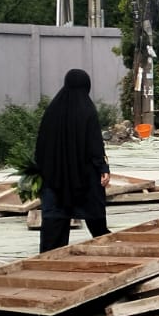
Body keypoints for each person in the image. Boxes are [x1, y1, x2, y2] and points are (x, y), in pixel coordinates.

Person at [34, 69, 112, 253]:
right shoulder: (87, 110)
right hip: (83, 177)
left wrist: (42, 171)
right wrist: (103, 168)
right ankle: (104, 245)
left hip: (55, 177)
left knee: (55, 217)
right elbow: (94, 145)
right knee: (94, 210)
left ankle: (50, 257)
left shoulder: (52, 111)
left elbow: (41, 146)